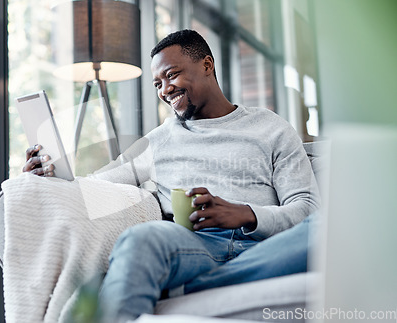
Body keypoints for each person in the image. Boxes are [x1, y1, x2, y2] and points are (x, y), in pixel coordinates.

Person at [23, 29, 320, 322]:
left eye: (172, 75)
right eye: (157, 84)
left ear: (206, 65)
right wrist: (49, 174)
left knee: (324, 228)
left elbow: (307, 207)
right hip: (196, 249)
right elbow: (94, 185)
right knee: (142, 240)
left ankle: (188, 287)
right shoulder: (158, 141)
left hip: (264, 247)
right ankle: (189, 282)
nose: (165, 90)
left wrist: (244, 214)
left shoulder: (270, 127)